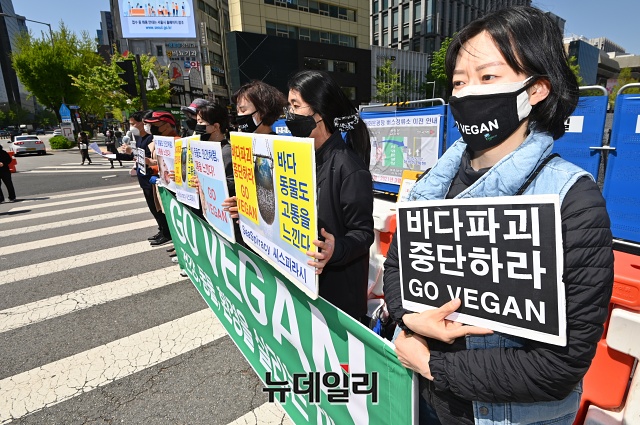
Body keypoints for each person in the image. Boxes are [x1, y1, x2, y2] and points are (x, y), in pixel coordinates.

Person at [382, 6, 614, 425]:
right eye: (459, 82)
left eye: (487, 77)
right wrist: (410, 317)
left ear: (536, 89)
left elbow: (561, 365)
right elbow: (398, 268)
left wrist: (434, 365)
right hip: (423, 401)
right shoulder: (432, 183)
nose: (468, 92)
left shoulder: (573, 200)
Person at [284, 70, 374, 321]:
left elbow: (363, 233)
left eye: (296, 106)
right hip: (306, 283)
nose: (289, 114)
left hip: (337, 299)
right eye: (288, 106)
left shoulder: (349, 168)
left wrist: (336, 249)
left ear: (320, 112)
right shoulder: (300, 158)